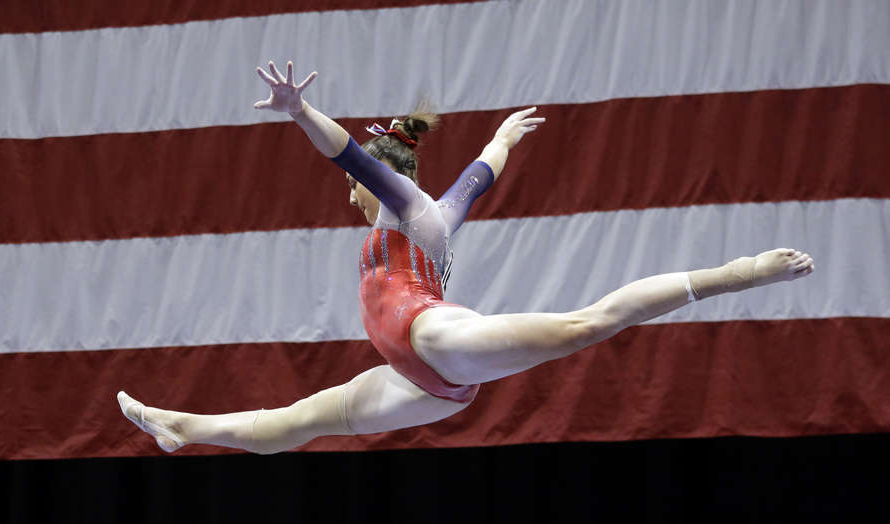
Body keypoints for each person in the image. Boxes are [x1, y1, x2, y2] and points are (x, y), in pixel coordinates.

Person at [118, 61, 815, 454]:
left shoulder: (401, 204)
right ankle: (182, 428)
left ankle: (739, 272)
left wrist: (302, 113)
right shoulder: (433, 212)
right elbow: (483, 170)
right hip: (419, 375)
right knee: (300, 420)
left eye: (355, 184)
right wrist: (505, 135)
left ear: (377, 181)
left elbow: (348, 152)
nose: (349, 191)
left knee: (583, 326)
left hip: (436, 340)